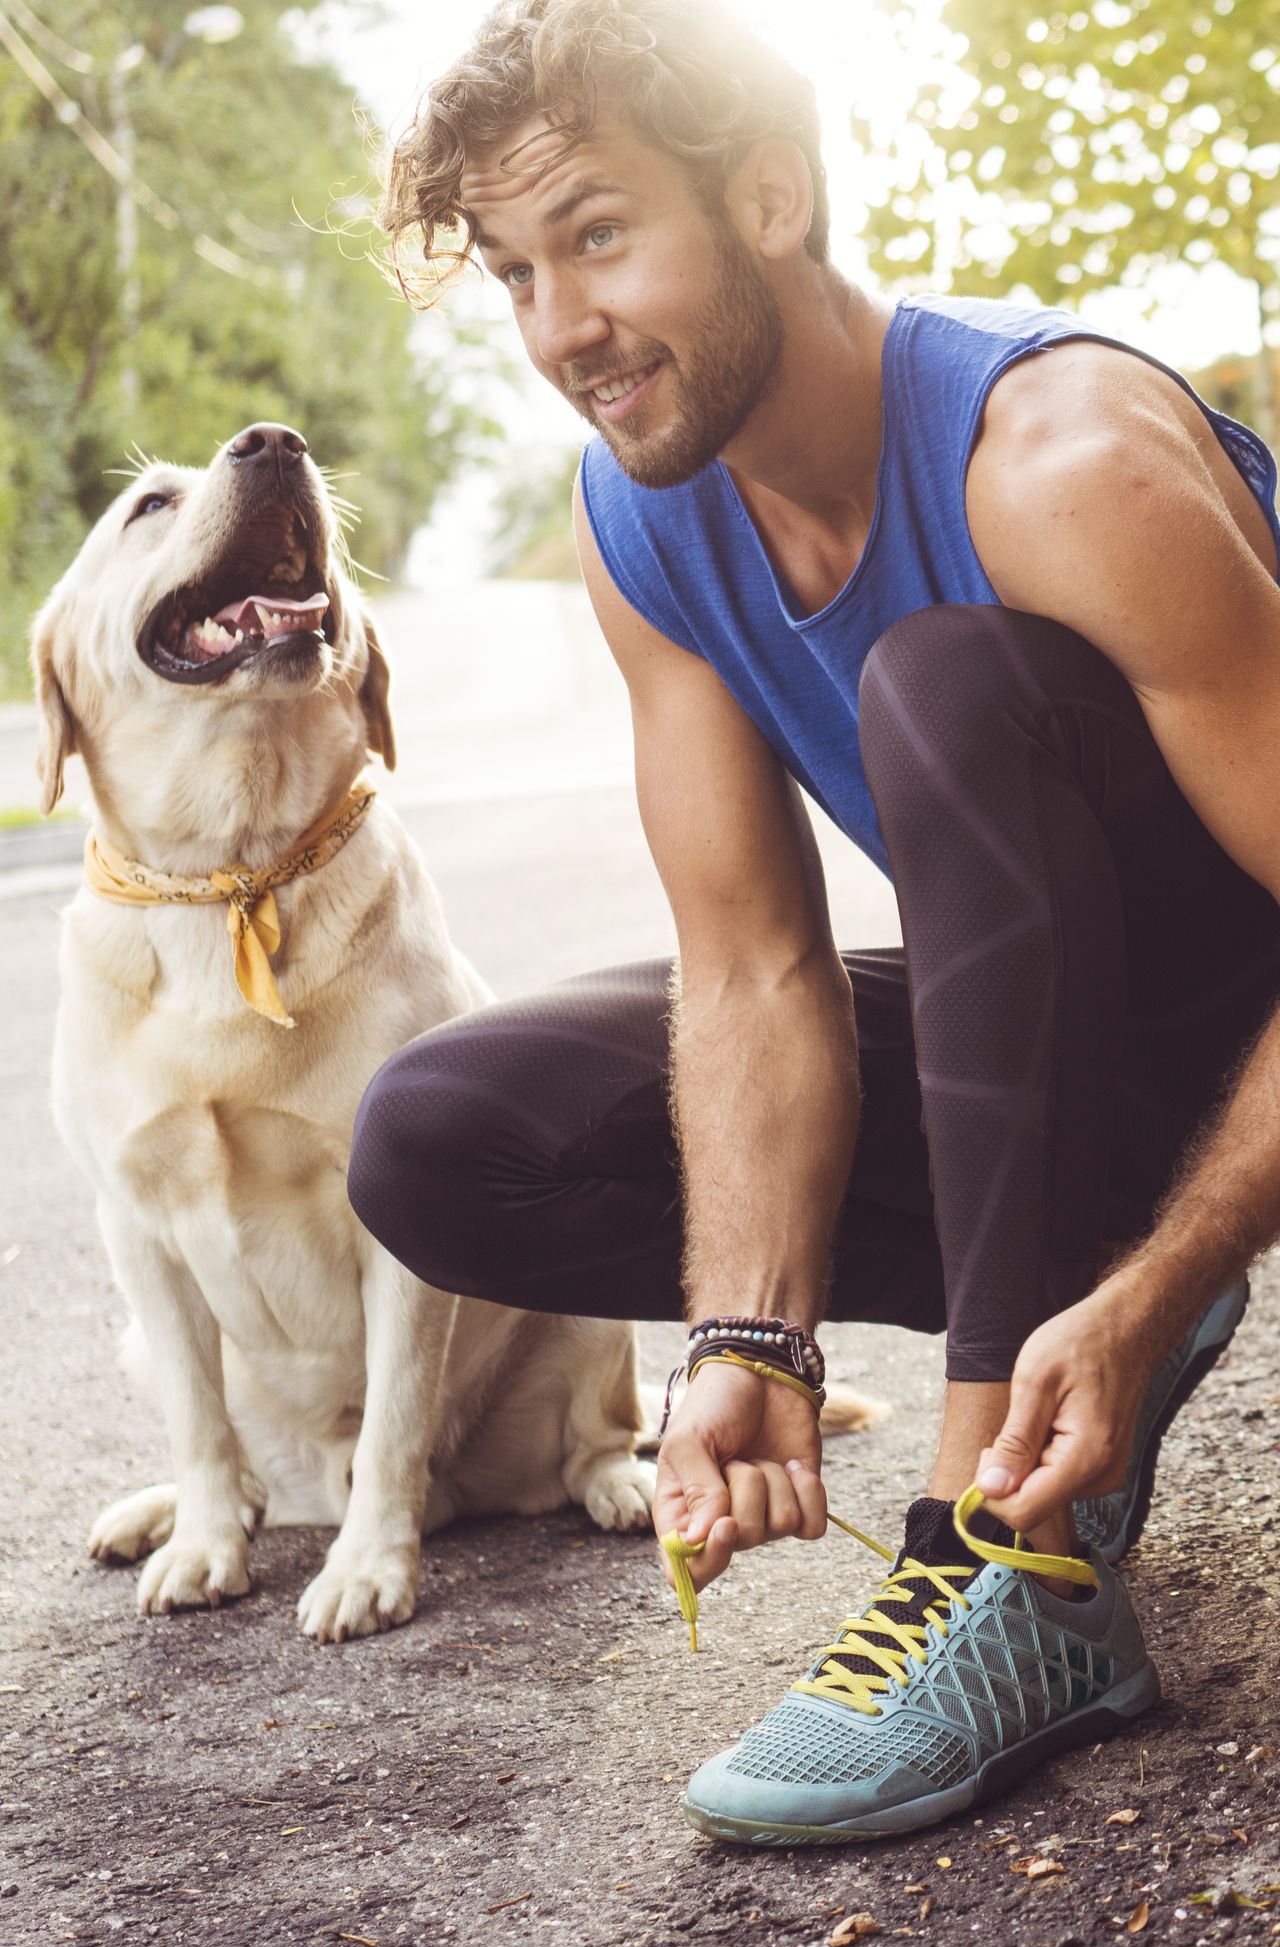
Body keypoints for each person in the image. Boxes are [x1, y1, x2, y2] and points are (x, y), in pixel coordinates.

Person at [348, 0, 1280, 1843]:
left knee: (943, 689)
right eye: (518, 271)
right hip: (1059, 1046)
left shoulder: (1060, 459)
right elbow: (752, 967)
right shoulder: (649, 516)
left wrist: (1165, 1267)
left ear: (770, 195)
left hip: (1239, 1030)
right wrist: (745, 1342)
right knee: (444, 1138)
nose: (561, 334)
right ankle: (1058, 1324)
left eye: (600, 237)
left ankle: (1008, 1560)